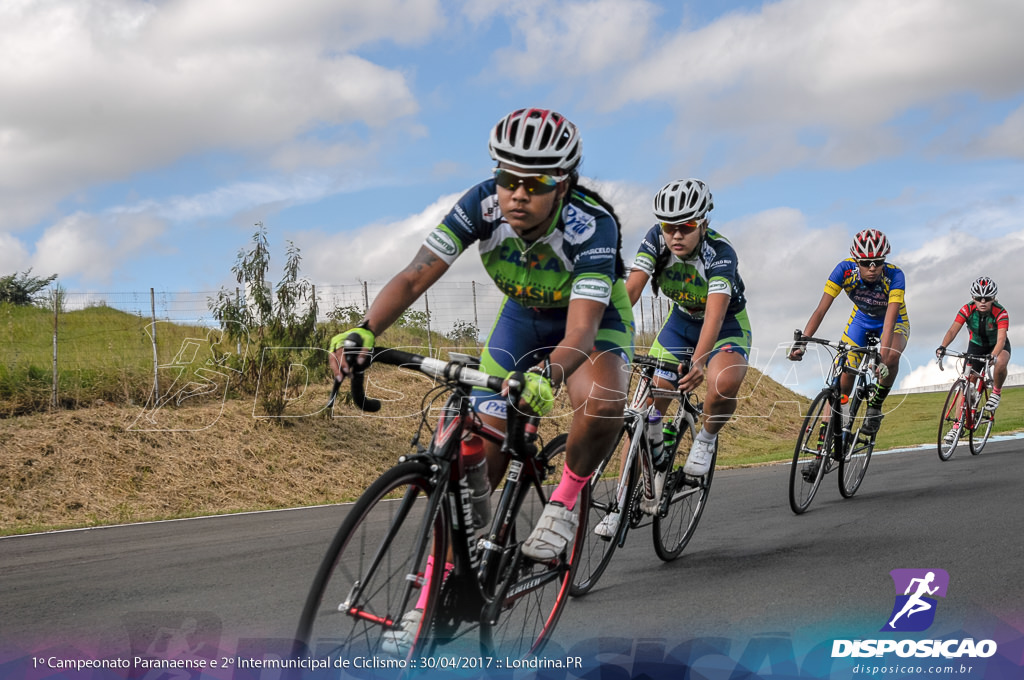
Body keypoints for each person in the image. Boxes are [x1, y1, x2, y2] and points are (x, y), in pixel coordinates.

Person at [329, 108, 634, 648]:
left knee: (602, 400)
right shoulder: (481, 204)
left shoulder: (593, 226)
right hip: (521, 321)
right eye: (506, 177)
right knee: (472, 451)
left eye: (534, 183)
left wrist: (550, 375)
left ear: (563, 183)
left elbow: (582, 333)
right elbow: (416, 274)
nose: (517, 193)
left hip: (590, 326)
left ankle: (565, 498)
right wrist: (364, 331)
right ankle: (429, 601)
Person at [594, 179, 750, 538]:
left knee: (723, 383)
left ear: (703, 224)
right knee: (645, 410)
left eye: (686, 227)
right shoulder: (655, 239)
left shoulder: (720, 253)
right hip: (679, 325)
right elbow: (631, 289)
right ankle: (620, 505)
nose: (676, 235)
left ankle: (706, 439)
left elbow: (713, 317)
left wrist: (699, 361)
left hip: (724, 325)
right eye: (668, 227)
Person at [789, 229, 909, 435]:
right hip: (861, 321)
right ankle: (836, 430)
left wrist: (881, 359)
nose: (872, 268)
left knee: (890, 358)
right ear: (856, 261)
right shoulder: (844, 271)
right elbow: (820, 310)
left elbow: (889, 324)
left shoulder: (895, 276)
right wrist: (802, 342)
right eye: (865, 263)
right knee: (844, 376)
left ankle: (875, 407)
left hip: (893, 321)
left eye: (878, 262)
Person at [935, 276, 1010, 443]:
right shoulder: (966, 309)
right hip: (976, 345)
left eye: (988, 298)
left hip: (996, 345)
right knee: (966, 383)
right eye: (978, 298)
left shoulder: (1001, 312)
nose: (983, 302)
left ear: (994, 298)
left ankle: (996, 392)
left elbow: (1001, 340)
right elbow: (953, 331)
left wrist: (994, 355)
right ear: (973, 298)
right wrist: (942, 347)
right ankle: (956, 426)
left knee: (1001, 362)